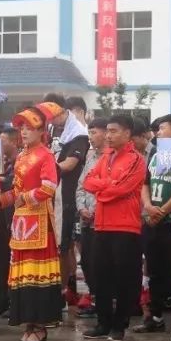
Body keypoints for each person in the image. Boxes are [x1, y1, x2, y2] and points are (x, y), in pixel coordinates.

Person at [0, 102, 64, 341]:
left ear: (41, 132)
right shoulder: (22, 156)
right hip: (21, 223)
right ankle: (28, 324)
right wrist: (1, 199)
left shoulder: (46, 155)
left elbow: (49, 187)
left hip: (38, 223)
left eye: (29, 128)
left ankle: (39, 327)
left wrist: (23, 197)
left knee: (36, 274)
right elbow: (16, 189)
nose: (24, 132)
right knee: (22, 275)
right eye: (21, 128)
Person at [81, 114, 146, 341]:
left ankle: (120, 325)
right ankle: (103, 322)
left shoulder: (136, 159)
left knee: (125, 278)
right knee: (101, 276)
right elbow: (87, 182)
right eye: (107, 131)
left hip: (126, 226)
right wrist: (107, 186)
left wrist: (103, 189)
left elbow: (123, 189)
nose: (108, 135)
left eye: (113, 131)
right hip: (101, 225)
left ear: (127, 133)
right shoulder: (105, 157)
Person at [134, 114, 171, 334]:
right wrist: (148, 207)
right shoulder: (156, 153)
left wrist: (164, 210)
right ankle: (154, 317)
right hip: (152, 220)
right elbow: (145, 183)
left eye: (162, 128)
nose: (157, 132)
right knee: (154, 271)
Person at [55, 96, 90, 305]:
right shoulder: (56, 133)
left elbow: (68, 165)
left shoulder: (80, 136)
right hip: (58, 197)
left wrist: (41, 165)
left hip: (74, 199)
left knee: (76, 246)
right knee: (64, 246)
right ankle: (67, 289)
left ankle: (78, 290)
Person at [75, 118, 107, 318]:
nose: (91, 137)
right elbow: (81, 186)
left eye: (94, 132)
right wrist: (81, 208)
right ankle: (95, 297)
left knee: (101, 263)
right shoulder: (90, 156)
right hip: (86, 219)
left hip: (103, 221)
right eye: (90, 133)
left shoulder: (112, 158)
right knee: (86, 261)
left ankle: (105, 301)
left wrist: (95, 210)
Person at [0, 125, 19, 316]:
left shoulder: (21, 160)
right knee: (0, 257)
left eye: (3, 141)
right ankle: (2, 297)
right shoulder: (3, 162)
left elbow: (15, 183)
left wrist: (1, 181)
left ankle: (13, 299)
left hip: (14, 214)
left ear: (12, 141)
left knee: (12, 258)